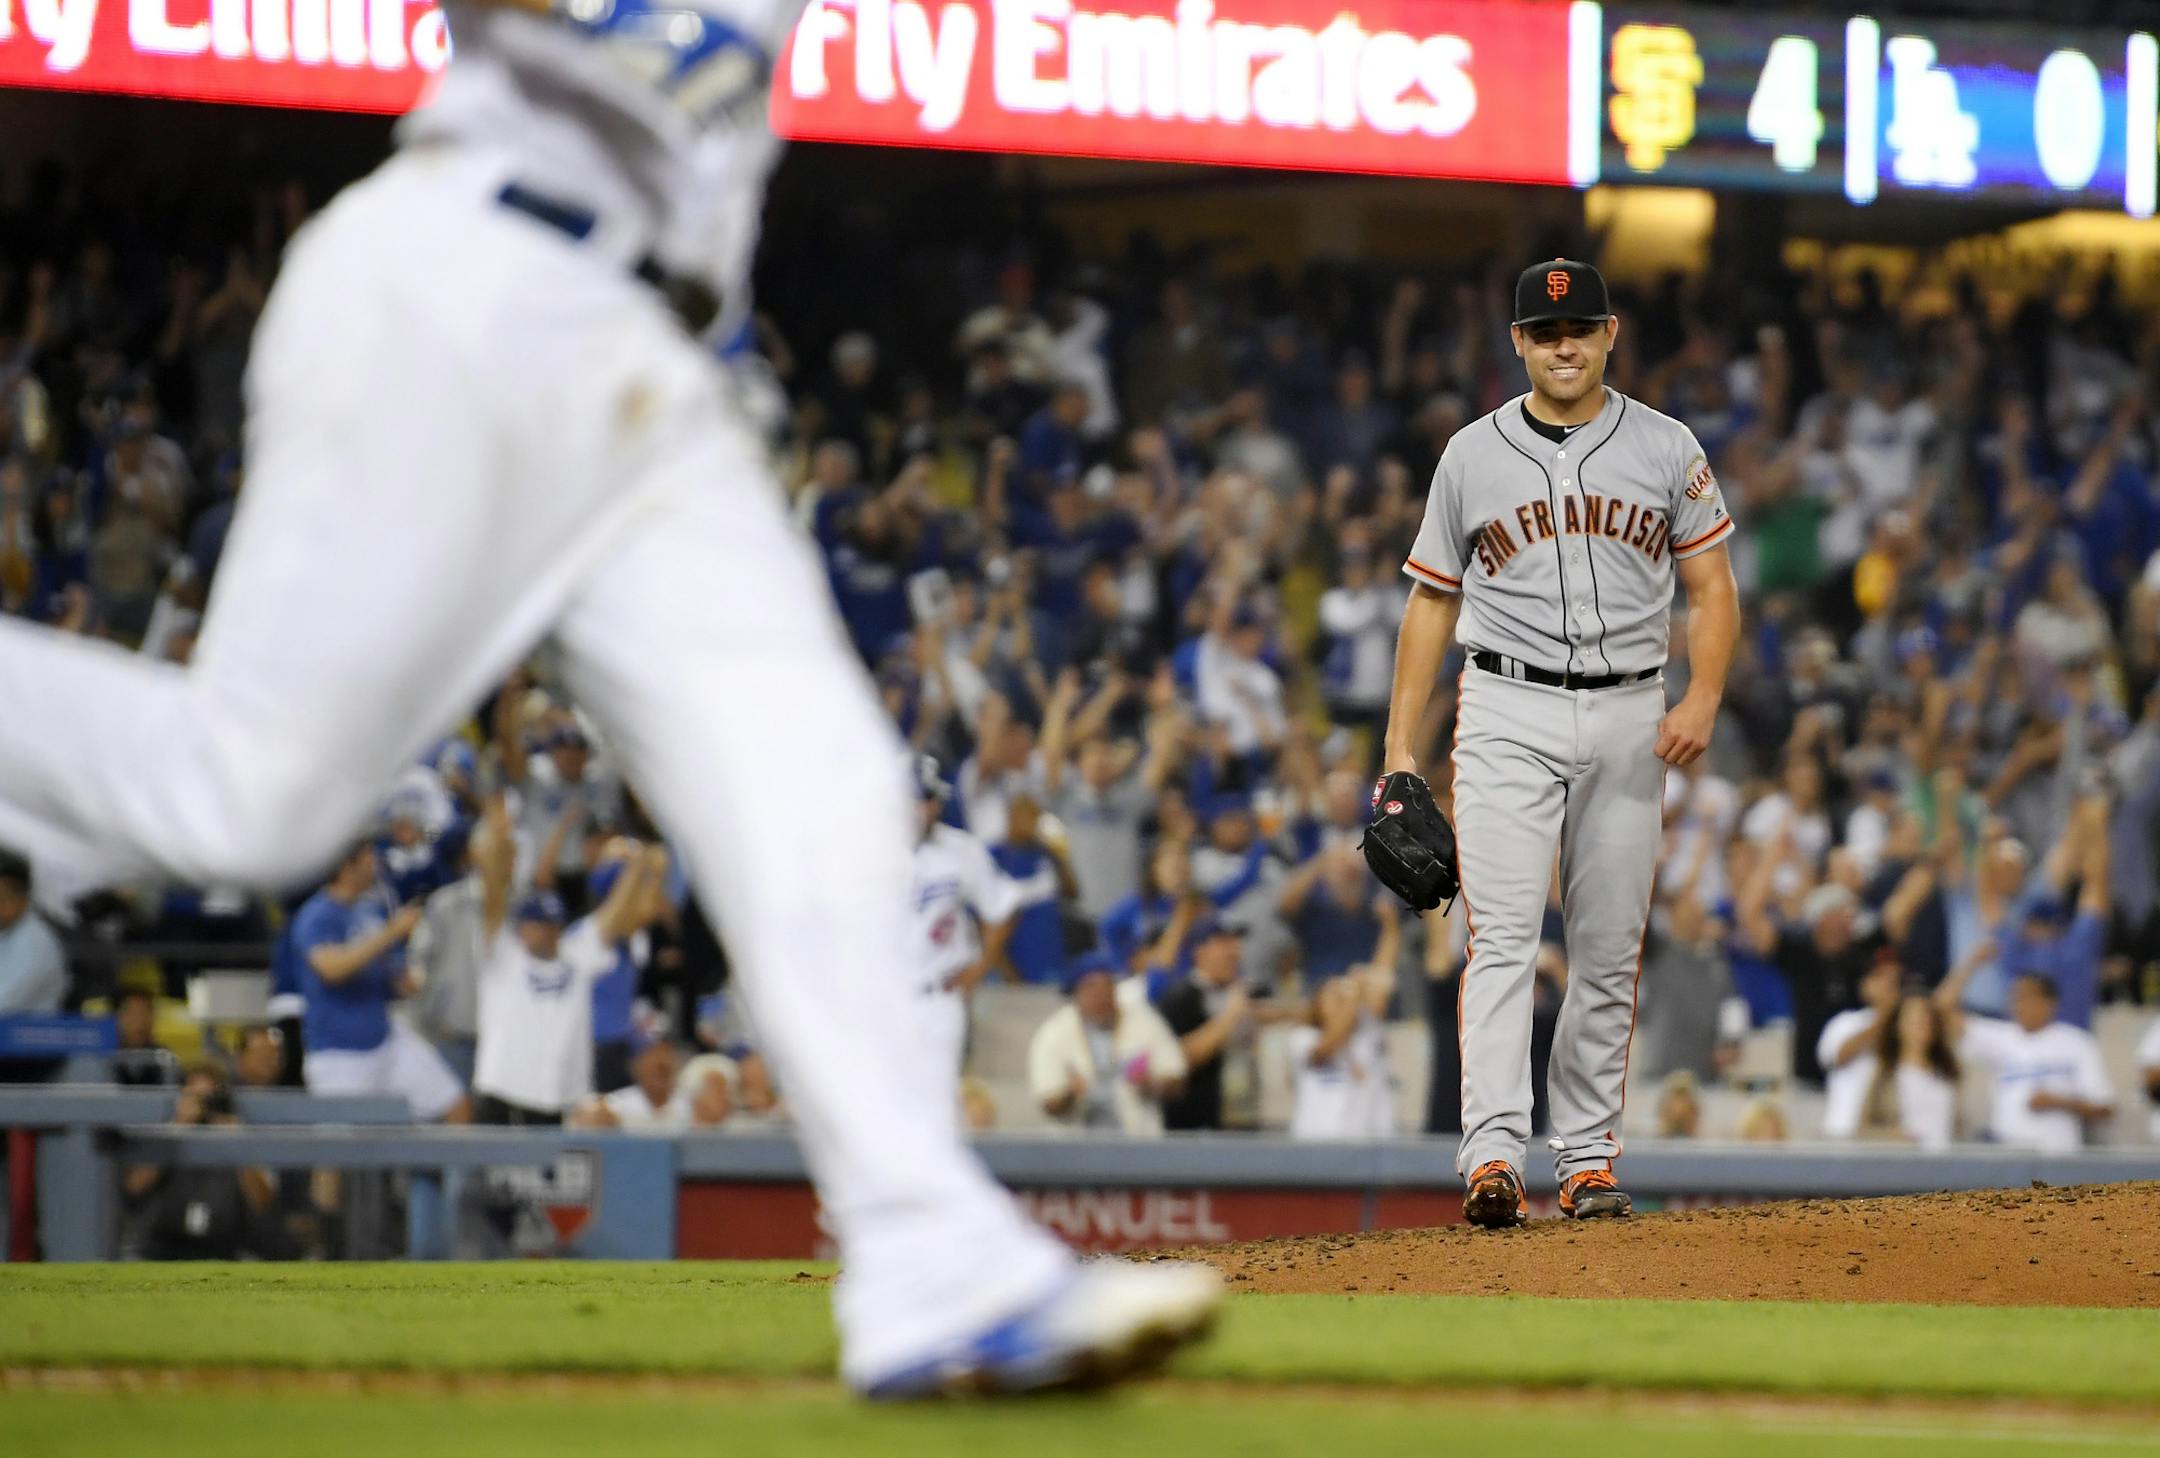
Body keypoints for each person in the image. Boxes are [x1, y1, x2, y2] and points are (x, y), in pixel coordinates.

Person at [0, 0, 1217, 1390]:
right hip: (465, 285)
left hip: (655, 368)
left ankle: (935, 1264)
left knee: (827, 792)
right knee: (251, 805)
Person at [1378, 259, 1741, 1227]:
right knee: (1498, 936)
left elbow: (1712, 587)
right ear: (1518, 344)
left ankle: (1585, 1160)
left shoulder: (1665, 448)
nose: (1564, 345)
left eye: (1579, 327)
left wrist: (1703, 693)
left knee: (1610, 946)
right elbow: (1429, 600)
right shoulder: (1470, 454)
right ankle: (1493, 1156)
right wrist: (1398, 748)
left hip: (1631, 711)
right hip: (1505, 707)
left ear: (1611, 333)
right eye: (1546, 333)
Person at [470, 797, 666, 1125]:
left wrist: (637, 859)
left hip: (556, 1096)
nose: (548, 932)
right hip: (502, 1092)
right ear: (522, 927)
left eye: (553, 924)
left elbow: (614, 915)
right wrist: (498, 837)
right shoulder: (503, 955)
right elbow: (492, 891)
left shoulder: (577, 955)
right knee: (492, 1177)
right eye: (540, 924)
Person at [289, 843, 468, 1122]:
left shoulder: (369, 911)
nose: (375, 864)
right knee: (333, 1157)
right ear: (347, 866)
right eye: (368, 858)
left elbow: (386, 975)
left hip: (384, 1038)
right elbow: (331, 969)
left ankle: (443, 1166)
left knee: (454, 1103)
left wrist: (404, 981)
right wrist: (391, 932)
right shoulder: (317, 914)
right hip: (339, 1051)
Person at [909, 757, 1021, 1079]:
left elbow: (1002, 910)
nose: (924, 808)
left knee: (939, 1100)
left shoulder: (961, 850)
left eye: (929, 799)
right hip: (880, 997)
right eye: (914, 798)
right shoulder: (863, 852)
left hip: (938, 1000)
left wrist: (978, 969)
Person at [1948, 970, 2114, 1152]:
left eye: (2026, 997)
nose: (2018, 1005)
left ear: (2050, 1003)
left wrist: (2059, 1102)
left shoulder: (2077, 1042)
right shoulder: (2001, 1036)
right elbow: (1941, 1010)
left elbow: (2105, 1108)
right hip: (2006, 1154)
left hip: (2059, 1156)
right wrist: (1973, 962)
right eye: (2014, 998)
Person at [1028, 954, 1187, 1136]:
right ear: (1075, 993)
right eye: (1092, 989)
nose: (1102, 997)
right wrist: (1071, 1094)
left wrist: (1151, 1085)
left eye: (1107, 987)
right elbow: (1049, 1103)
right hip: (1076, 1148)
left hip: (1138, 1141)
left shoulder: (1144, 1022)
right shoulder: (1054, 1034)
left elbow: (1176, 1079)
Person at [1151, 918, 1255, 1132]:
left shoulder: (1244, 993)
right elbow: (1178, 1059)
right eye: (1223, 942)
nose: (1233, 951)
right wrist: (1230, 1016)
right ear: (1199, 950)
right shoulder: (1179, 998)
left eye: (1235, 942)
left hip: (1243, 1120)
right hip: (1193, 1126)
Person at [1288, 959, 1399, 1141]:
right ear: (1317, 1003)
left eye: (1343, 995)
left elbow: (1381, 991)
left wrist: (1364, 984)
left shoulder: (1365, 1038)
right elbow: (1324, 1048)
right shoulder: (1303, 1038)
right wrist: (1353, 998)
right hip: (1309, 1146)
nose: (1341, 999)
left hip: (1357, 1150)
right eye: (1333, 994)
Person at [0, 850, 65, 1013]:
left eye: (2, 898)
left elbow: (5, 1000)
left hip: (28, 1035)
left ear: (22, 897)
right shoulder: (7, 931)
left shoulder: (36, 941)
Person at [110, 987, 183, 1087]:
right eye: (132, 1014)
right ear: (118, 1018)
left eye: (144, 1013)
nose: (139, 1021)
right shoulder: (104, 1058)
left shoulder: (165, 1059)